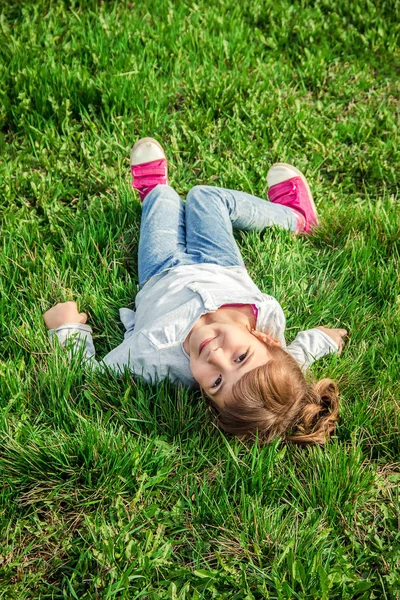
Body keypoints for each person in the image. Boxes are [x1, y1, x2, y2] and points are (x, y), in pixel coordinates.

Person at [43, 138, 347, 445]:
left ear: (205, 395)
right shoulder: (270, 330)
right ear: (266, 340)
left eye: (216, 382)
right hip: (221, 263)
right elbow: (294, 357)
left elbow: (90, 374)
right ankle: (296, 219)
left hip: (160, 271)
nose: (216, 356)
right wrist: (320, 340)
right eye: (240, 357)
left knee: (163, 198)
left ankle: (153, 193)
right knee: (205, 196)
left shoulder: (152, 357)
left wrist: (67, 327)